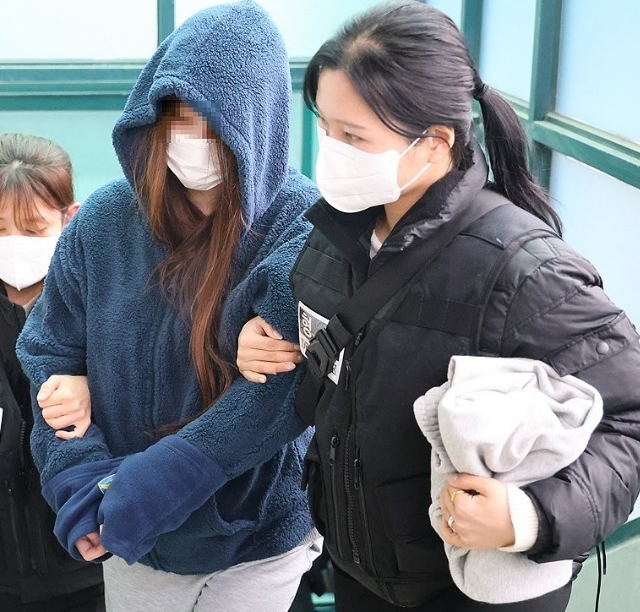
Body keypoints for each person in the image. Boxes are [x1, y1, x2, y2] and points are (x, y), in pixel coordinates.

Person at [235, 1, 640, 611]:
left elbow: (629, 418)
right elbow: (334, 357)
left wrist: (528, 517)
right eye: (325, 127)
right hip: (362, 571)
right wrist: (255, 342)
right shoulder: (332, 237)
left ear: (433, 144)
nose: (331, 151)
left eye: (353, 137)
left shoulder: (522, 270)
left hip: (476, 589)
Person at [16, 2, 322, 611]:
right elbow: (49, 351)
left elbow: (277, 395)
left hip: (253, 537)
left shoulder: (302, 224)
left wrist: (150, 487)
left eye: (212, 123)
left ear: (255, 122)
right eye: (176, 118)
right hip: (130, 527)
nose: (190, 141)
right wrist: (79, 477)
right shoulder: (104, 220)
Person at [0, 133, 104, 611]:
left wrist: (94, 390)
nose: (15, 244)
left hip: (89, 574)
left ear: (69, 219)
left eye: (33, 229)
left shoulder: (103, 322)